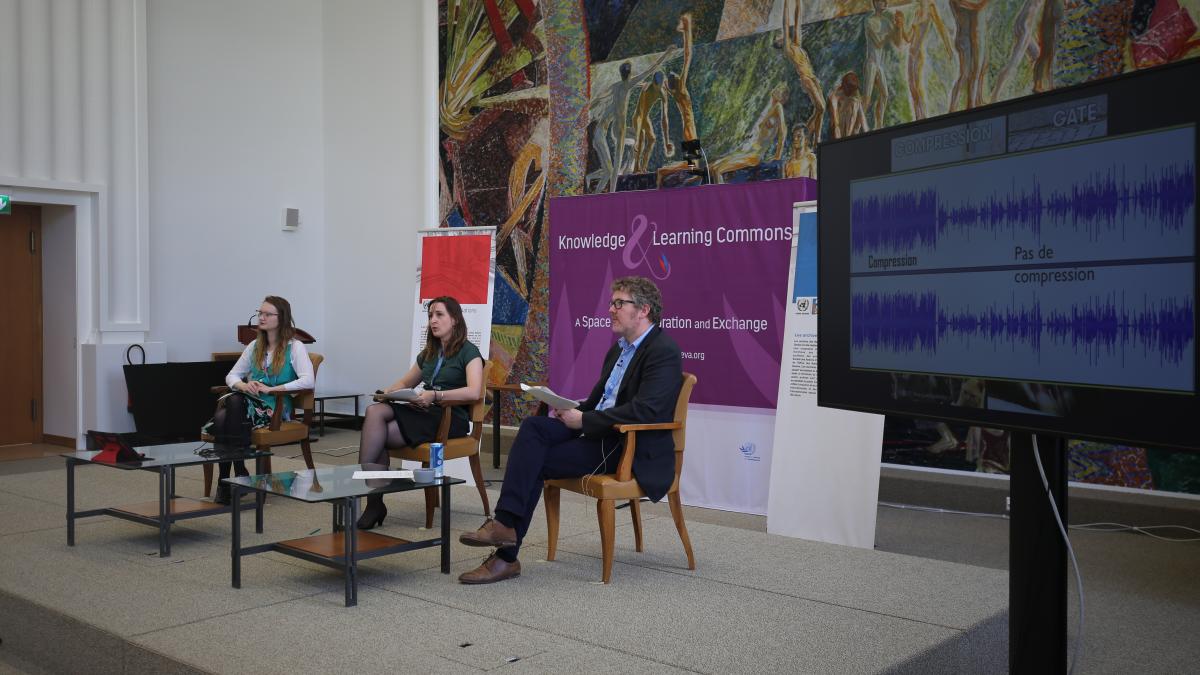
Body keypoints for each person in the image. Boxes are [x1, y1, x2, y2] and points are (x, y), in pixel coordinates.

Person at [458, 276, 683, 584]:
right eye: (611, 303)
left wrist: (584, 421)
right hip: (599, 431)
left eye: (619, 303)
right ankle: (505, 529)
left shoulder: (663, 350)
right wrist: (571, 409)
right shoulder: (618, 351)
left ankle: (506, 551)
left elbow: (647, 410)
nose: (611, 309)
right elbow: (599, 402)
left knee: (536, 462)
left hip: (626, 446)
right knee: (535, 428)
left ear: (643, 310)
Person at [355, 296, 483, 530]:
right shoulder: (429, 353)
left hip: (449, 417)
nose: (433, 320)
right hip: (423, 412)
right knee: (375, 411)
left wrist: (435, 396)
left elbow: (474, 391)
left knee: (378, 431)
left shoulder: (469, 351)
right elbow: (406, 381)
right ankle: (373, 500)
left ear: (454, 319)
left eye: (439, 315)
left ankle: (371, 499)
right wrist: (387, 392)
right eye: (430, 316)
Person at [209, 296, 314, 504]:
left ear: (281, 318)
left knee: (223, 416)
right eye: (260, 313)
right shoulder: (254, 346)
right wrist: (244, 385)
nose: (261, 318)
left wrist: (272, 388)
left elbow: (308, 381)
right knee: (231, 406)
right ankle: (235, 475)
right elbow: (231, 376)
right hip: (248, 402)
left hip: (275, 408)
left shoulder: (295, 347)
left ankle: (227, 480)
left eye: (267, 314)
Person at [709, 83, 788, 184]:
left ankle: (723, 198)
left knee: (717, 170)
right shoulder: (770, 108)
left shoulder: (778, 107)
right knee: (713, 168)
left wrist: (778, 155)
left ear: (783, 98)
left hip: (754, 155)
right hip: (749, 150)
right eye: (778, 87)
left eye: (781, 90)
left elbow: (783, 131)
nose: (777, 89)